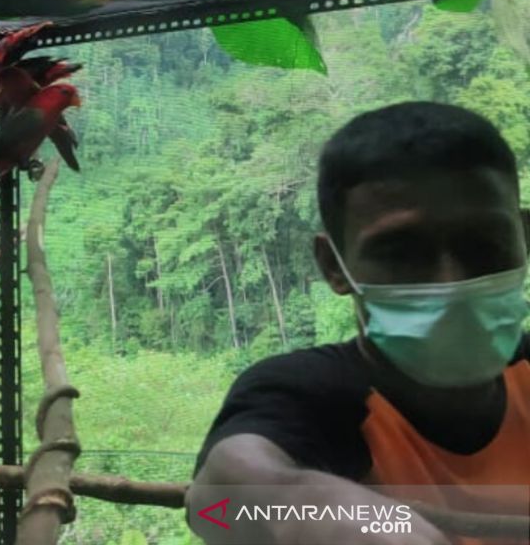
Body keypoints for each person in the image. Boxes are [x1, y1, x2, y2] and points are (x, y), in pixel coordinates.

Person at [187, 102, 530, 545]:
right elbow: (213, 508)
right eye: (401, 252)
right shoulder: (310, 394)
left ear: (524, 236)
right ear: (334, 265)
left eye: (483, 244)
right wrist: (338, 515)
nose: (451, 282)